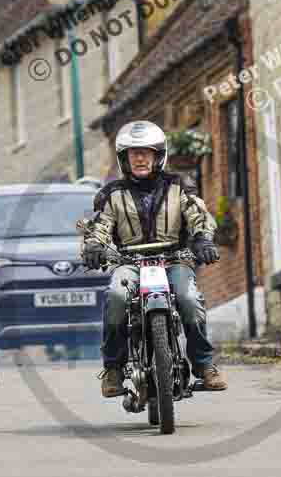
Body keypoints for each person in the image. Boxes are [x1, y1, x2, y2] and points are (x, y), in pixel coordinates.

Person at [79, 120, 228, 397]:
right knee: (116, 298)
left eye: (145, 152)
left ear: (158, 156)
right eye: (133, 153)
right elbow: (100, 225)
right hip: (129, 262)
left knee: (188, 298)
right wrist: (93, 246)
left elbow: (198, 215)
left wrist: (203, 238)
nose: (139, 158)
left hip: (174, 259)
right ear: (124, 159)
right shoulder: (111, 194)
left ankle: (205, 365)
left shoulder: (179, 185)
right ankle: (113, 369)